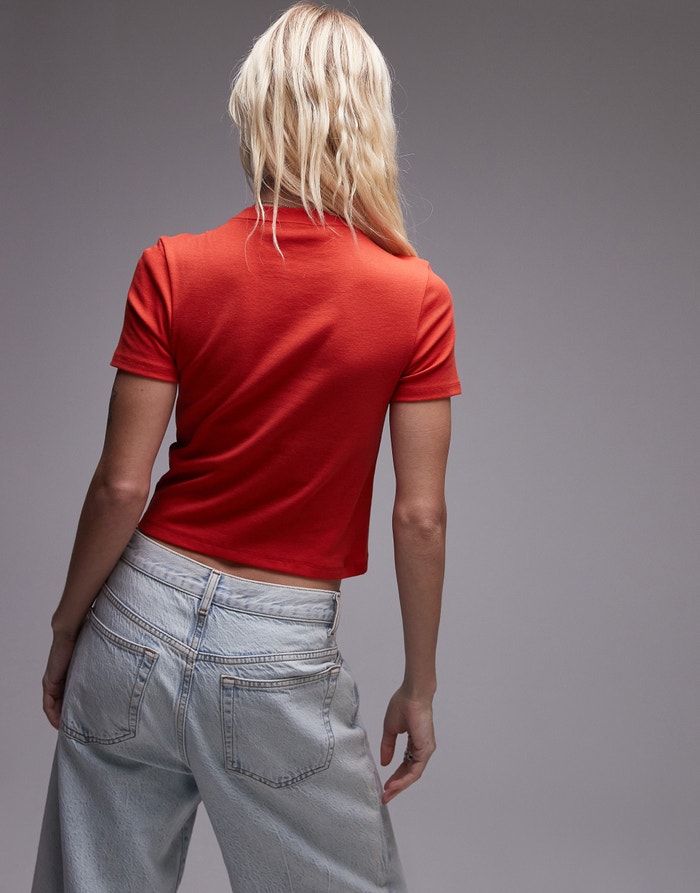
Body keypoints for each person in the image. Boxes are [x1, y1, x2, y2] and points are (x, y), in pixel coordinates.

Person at [32, 3, 460, 891]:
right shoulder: (415, 296)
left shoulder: (174, 265)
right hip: (278, 647)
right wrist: (418, 686)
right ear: (369, 119)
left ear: (256, 112)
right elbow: (419, 516)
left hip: (134, 619)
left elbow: (120, 486)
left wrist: (69, 625)